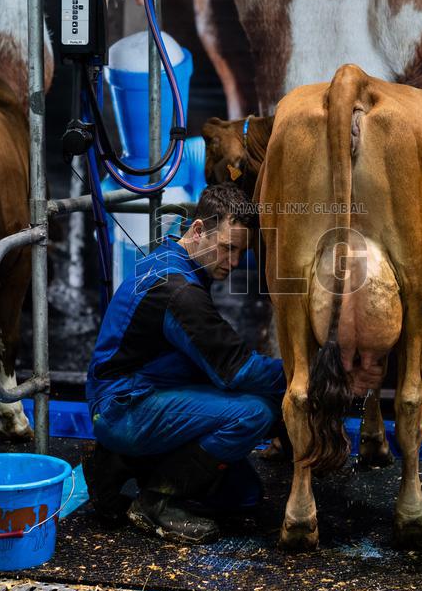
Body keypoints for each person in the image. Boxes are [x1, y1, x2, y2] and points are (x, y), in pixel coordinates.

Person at [84, 182, 286, 544]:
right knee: (255, 413)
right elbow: (236, 369)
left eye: (241, 253)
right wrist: (302, 377)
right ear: (198, 231)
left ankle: (116, 463)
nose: (234, 262)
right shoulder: (178, 290)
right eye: (227, 249)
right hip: (125, 406)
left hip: (135, 394)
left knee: (244, 495)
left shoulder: (169, 257)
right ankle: (154, 502)